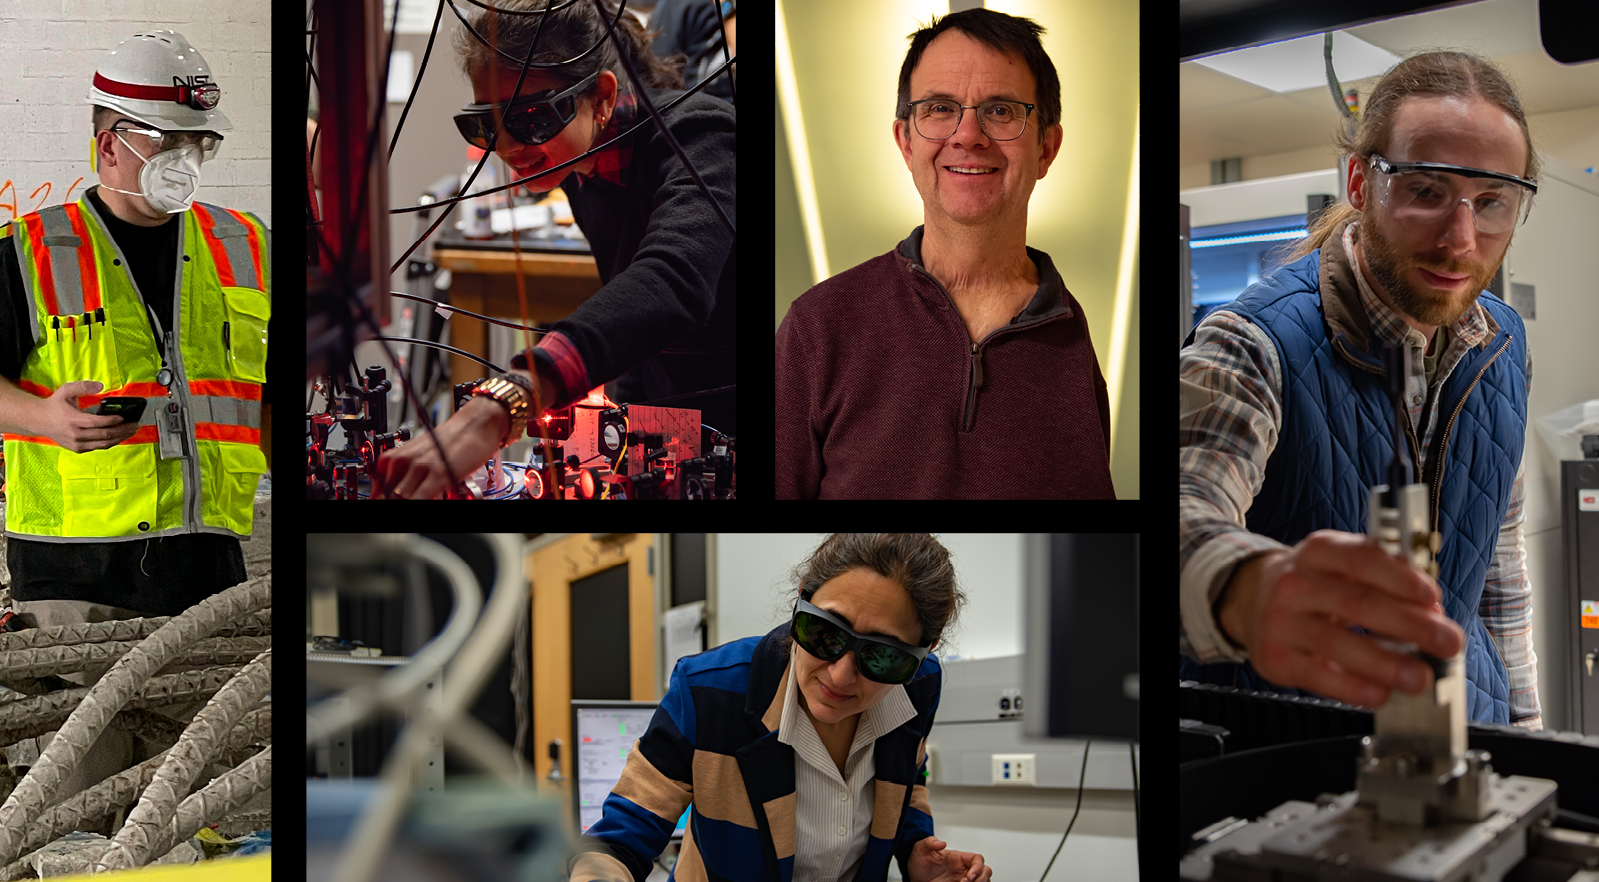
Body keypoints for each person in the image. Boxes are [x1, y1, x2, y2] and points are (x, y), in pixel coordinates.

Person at [1178, 50, 1535, 728]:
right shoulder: (1248, 343)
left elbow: (1500, 576)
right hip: (1295, 762)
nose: (1461, 239)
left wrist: (1530, 744)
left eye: (1491, 202)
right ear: (1360, 182)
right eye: (1426, 191)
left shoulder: (1504, 344)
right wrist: (1243, 586)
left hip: (1461, 738)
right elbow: (1184, 507)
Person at [0, 29, 269, 628]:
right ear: (110, 146)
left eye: (200, 142)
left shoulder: (244, 244)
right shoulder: (35, 250)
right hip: (74, 575)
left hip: (208, 561)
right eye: (167, 139)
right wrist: (44, 419)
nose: (186, 159)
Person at [549, 533, 990, 882]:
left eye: (882, 656)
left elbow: (906, 781)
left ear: (923, 652)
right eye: (825, 633)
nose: (840, 674)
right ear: (801, 603)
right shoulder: (709, 691)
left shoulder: (918, 686)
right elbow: (618, 844)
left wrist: (914, 848)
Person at [375, 0, 735, 499]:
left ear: (602, 98)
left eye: (530, 118)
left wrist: (506, 399)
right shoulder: (582, 167)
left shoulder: (703, 136)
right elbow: (635, 326)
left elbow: (673, 281)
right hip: (669, 424)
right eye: (486, 124)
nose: (506, 147)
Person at [775, 8, 1112, 499]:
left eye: (1000, 110)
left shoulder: (1069, 339)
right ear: (905, 141)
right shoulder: (818, 327)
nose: (968, 135)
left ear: (1046, 148)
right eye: (939, 108)